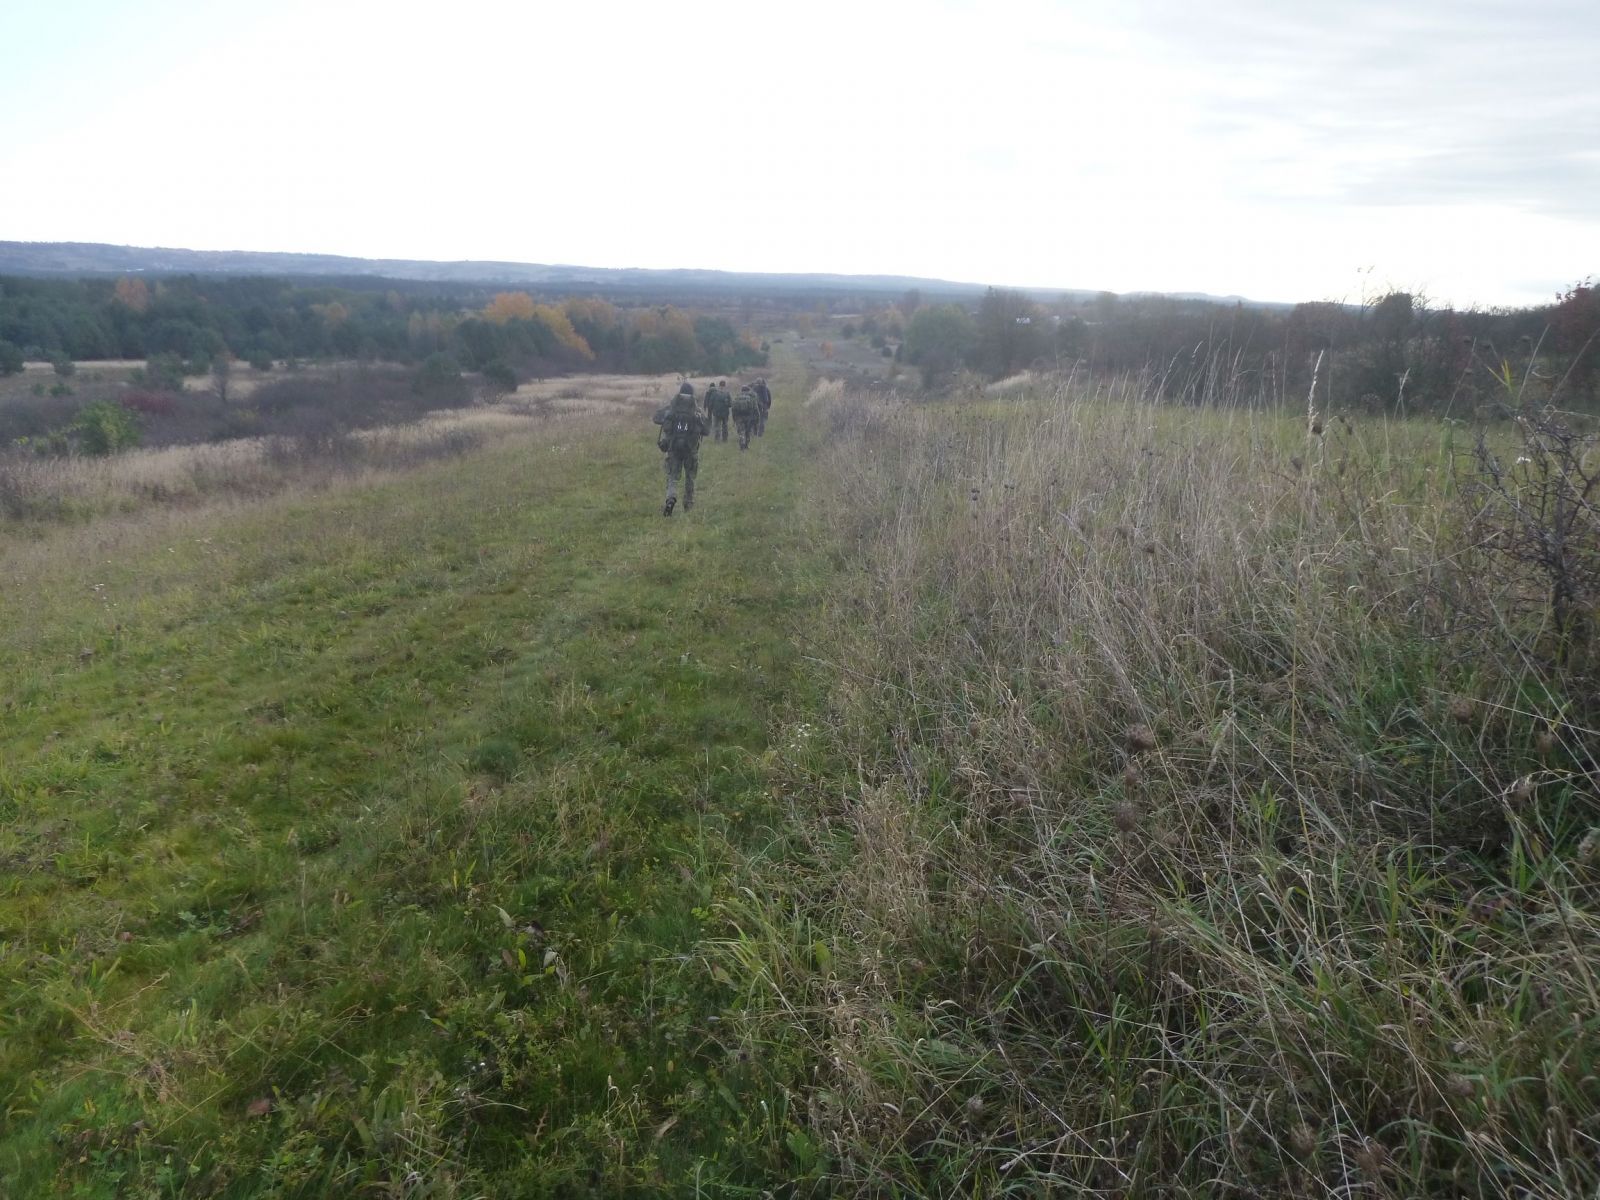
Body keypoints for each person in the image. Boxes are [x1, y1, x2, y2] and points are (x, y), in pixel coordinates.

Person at [652, 382, 708, 515]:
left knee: (672, 476)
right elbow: (706, 430)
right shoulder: (697, 411)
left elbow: (656, 418)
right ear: (692, 394)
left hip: (673, 448)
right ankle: (688, 505)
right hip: (691, 450)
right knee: (690, 477)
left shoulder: (672, 408)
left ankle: (671, 498)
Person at [731, 384, 761, 451]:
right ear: (748, 390)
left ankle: (742, 445)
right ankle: (746, 445)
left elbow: (733, 409)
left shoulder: (737, 398)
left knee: (741, 432)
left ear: (741, 390)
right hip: (748, 417)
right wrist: (757, 418)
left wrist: (734, 419)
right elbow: (755, 408)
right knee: (748, 431)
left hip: (739, 418)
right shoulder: (751, 398)